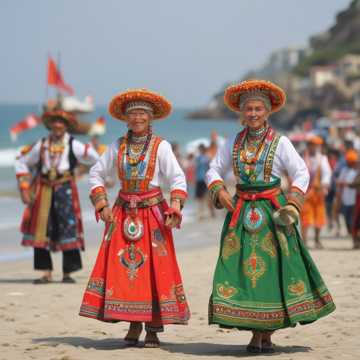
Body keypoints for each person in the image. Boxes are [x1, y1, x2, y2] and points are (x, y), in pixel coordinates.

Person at [206, 80, 335, 353]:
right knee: (242, 269)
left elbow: (301, 172)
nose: (253, 114)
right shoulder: (232, 142)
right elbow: (213, 169)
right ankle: (257, 331)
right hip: (241, 212)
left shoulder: (281, 142)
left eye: (258, 109)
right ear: (242, 113)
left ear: (267, 112)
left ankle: (265, 332)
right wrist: (218, 190)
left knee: (275, 271)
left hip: (273, 212)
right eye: (248, 109)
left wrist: (294, 203)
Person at [79, 89, 190, 348]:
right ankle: (133, 323)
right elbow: (95, 173)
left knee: (153, 271)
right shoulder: (118, 146)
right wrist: (102, 203)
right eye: (133, 113)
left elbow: (177, 178)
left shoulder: (160, 146)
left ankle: (152, 329)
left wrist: (175, 205)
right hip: (121, 213)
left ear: (151, 118)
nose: (137, 117)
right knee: (126, 269)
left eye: (142, 113)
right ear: (126, 119)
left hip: (153, 214)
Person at [14, 110, 99, 283]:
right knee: (42, 228)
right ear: (50, 124)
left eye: (61, 122)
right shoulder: (41, 144)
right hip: (44, 190)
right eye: (55, 121)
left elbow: (94, 157)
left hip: (65, 189)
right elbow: (21, 161)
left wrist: (81, 167)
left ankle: (68, 273)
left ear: (66, 126)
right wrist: (24, 186)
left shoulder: (73, 144)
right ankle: (46, 272)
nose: (58, 125)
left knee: (68, 226)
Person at [301, 136, 332, 249]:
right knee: (305, 217)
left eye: (316, 146)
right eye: (311, 145)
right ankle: (304, 242)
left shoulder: (322, 158)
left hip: (318, 192)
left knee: (319, 216)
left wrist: (324, 185)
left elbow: (327, 173)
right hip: (306, 193)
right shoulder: (303, 158)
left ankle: (317, 240)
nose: (314, 147)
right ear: (308, 146)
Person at [337, 150, 359, 246]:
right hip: (346, 200)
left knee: (355, 221)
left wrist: (347, 184)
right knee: (349, 221)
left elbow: (355, 184)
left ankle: (356, 240)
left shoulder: (357, 171)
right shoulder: (344, 170)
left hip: (356, 200)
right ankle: (355, 239)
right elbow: (339, 183)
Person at [195, 144, 214, 219]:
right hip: (199, 179)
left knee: (207, 197)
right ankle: (201, 213)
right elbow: (196, 169)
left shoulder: (207, 158)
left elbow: (210, 168)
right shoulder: (198, 158)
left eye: (201, 149)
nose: (200, 150)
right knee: (200, 198)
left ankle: (211, 212)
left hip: (205, 179)